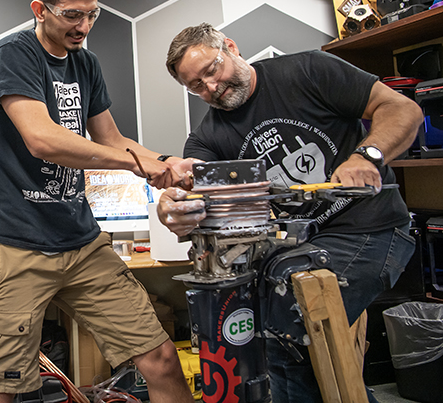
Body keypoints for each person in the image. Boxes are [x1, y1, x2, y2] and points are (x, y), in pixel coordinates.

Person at [157, 23, 423, 403]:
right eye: (196, 86)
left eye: (212, 70)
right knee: (251, 320)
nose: (211, 88)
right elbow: (195, 188)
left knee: (289, 321)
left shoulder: (309, 71)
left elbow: (402, 108)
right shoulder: (208, 137)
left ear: (230, 47)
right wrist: (177, 208)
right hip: (295, 247)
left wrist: (368, 156)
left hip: (371, 229)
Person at [0, 0, 195, 403]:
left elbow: (112, 138)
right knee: (2, 390)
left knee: (161, 360)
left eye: (92, 14)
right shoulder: (13, 56)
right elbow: (43, 139)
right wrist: (140, 166)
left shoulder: (86, 65)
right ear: (40, 9)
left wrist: (167, 161)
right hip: (19, 245)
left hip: (82, 242)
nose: (83, 26)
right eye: (72, 14)